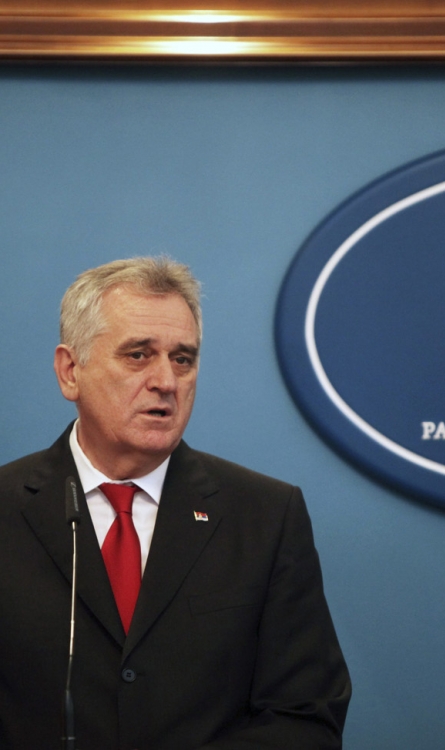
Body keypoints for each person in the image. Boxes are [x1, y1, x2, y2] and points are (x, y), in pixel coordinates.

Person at [0, 257, 351, 749]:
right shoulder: (8, 508)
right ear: (70, 371)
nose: (166, 381)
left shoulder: (266, 516)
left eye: (183, 359)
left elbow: (306, 716)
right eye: (138, 355)